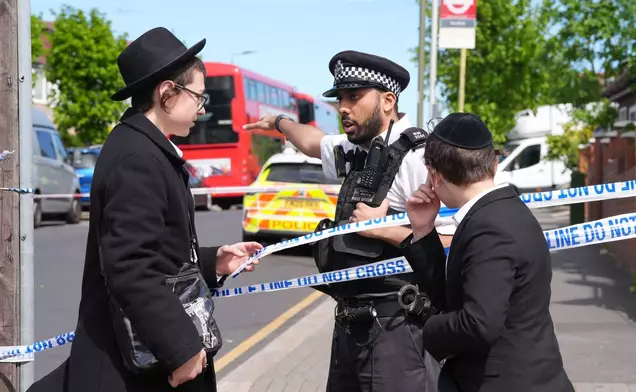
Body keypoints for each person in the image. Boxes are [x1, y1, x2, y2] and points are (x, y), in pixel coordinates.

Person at [27, 27, 263, 392]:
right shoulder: (137, 158)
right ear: (168, 93)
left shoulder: (145, 148)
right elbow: (130, 265)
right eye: (198, 98)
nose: (202, 109)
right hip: (138, 367)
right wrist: (182, 348)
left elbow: (158, 251)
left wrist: (212, 260)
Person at [244, 50, 454, 392]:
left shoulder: (419, 159)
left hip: (399, 330)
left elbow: (458, 241)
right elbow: (313, 143)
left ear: (388, 101)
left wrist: (385, 230)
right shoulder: (359, 147)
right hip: (351, 328)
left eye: (354, 97)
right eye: (340, 98)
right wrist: (280, 122)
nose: (343, 107)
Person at [400, 112, 574, 392]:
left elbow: (479, 323)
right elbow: (456, 298)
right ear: (493, 163)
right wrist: (423, 231)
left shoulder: (489, 227)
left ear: (434, 175)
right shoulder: (504, 210)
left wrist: (429, 329)